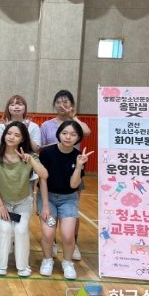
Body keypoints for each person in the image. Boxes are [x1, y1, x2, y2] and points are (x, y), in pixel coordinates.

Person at [0, 121, 48, 277]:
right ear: (4, 135)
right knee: (5, 229)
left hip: (23, 202)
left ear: (23, 139)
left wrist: (31, 160)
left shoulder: (30, 156)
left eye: (16, 135)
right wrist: (1, 205)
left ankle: (23, 266)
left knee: (21, 230)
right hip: (3, 202)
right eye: (9, 133)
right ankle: (0, 264)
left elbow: (44, 175)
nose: (11, 137)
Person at [40, 90, 91, 261]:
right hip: (52, 170)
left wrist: (73, 116)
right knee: (51, 213)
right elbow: (41, 147)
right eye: (59, 102)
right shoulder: (47, 125)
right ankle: (52, 242)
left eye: (66, 102)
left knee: (71, 210)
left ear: (72, 105)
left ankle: (72, 243)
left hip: (74, 169)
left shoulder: (76, 123)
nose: (62, 105)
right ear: (54, 105)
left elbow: (87, 132)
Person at [37, 120, 93, 280]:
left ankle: (67, 263)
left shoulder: (79, 156)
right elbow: (43, 180)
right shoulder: (46, 152)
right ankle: (47, 260)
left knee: (68, 235)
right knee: (48, 234)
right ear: (59, 134)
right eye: (65, 133)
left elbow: (74, 185)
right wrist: (45, 206)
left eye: (73, 134)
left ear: (78, 137)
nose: (68, 137)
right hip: (47, 197)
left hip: (68, 199)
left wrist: (79, 166)